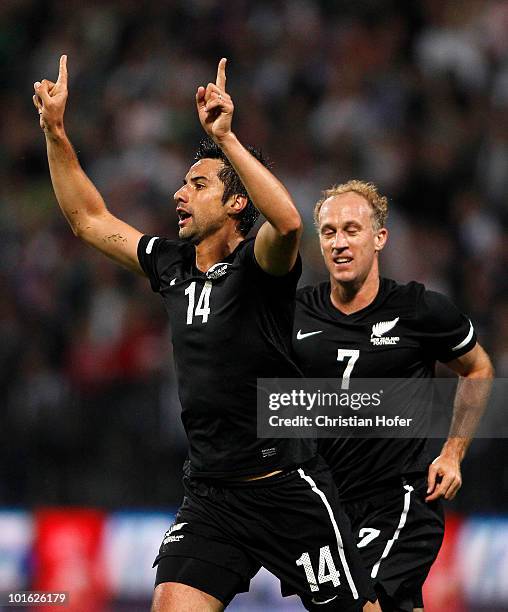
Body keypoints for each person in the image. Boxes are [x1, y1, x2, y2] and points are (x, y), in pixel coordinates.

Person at [33, 57, 376, 611]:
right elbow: (88, 220)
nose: (180, 195)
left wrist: (226, 138)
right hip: (212, 495)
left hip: (286, 486)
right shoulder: (172, 266)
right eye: (183, 184)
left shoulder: (259, 268)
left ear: (236, 202)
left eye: (197, 185)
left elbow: (288, 222)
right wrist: (55, 134)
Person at [293, 180, 494, 612]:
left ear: (379, 237)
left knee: (358, 604)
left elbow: (478, 368)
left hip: (401, 497)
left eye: (352, 230)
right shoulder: (296, 313)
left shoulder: (419, 309)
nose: (339, 243)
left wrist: (453, 452)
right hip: (329, 508)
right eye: (329, 232)